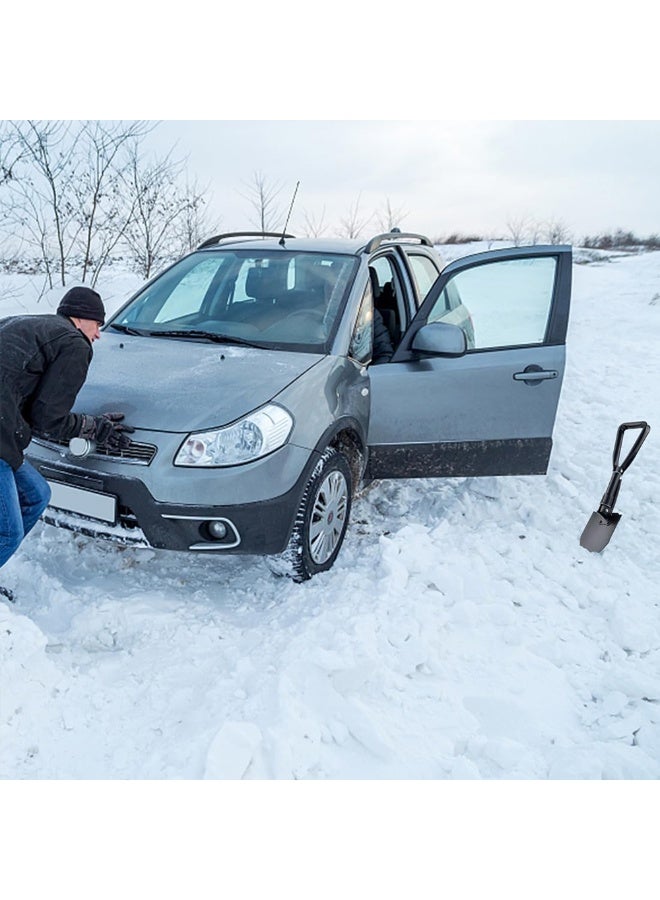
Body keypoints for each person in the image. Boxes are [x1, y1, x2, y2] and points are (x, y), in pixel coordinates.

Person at [0, 286, 134, 600]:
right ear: (81, 318)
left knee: (37, 494)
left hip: (5, 433)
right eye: (97, 325)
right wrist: (94, 428)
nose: (98, 335)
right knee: (9, 531)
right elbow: (49, 419)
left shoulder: (24, 324)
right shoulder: (74, 343)